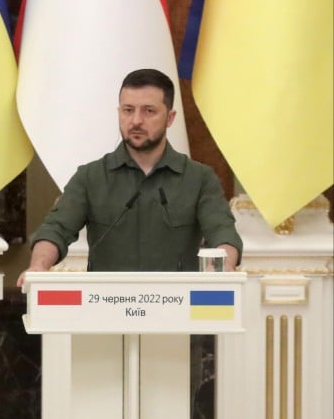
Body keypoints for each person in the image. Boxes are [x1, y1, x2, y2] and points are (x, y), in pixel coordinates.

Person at [18, 68, 241, 286]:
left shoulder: (199, 178)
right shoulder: (90, 177)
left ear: (170, 118)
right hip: (107, 309)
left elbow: (222, 232)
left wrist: (224, 266)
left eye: (149, 111)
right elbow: (56, 229)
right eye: (128, 110)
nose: (136, 121)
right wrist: (39, 265)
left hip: (178, 312)